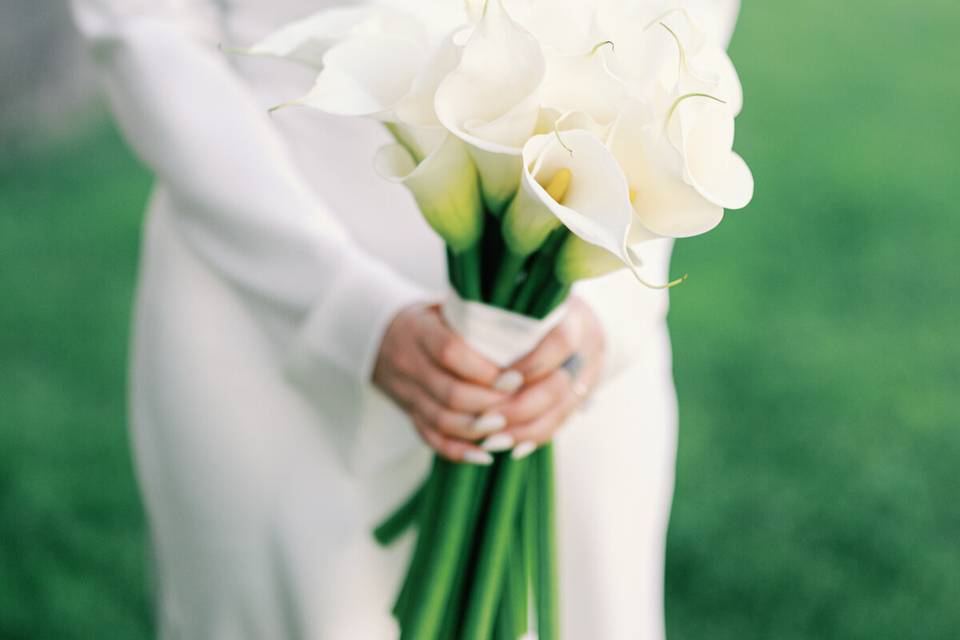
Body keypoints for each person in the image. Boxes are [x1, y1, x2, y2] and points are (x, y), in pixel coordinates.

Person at [71, 0, 740, 637]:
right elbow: (145, 24)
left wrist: (605, 307)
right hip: (258, 292)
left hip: (562, 328)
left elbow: (686, 40)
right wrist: (342, 306)